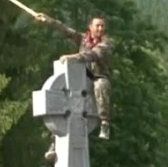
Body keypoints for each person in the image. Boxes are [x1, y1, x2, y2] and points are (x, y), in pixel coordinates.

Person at [34, 13, 113, 149]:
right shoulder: (83, 39)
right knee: (64, 108)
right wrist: (48, 20)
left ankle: (105, 123)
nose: (100, 29)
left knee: (101, 85)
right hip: (81, 75)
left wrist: (73, 57)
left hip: (98, 77)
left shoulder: (105, 44)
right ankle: (54, 142)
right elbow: (65, 30)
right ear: (90, 27)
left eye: (102, 26)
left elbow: (92, 55)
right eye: (97, 25)